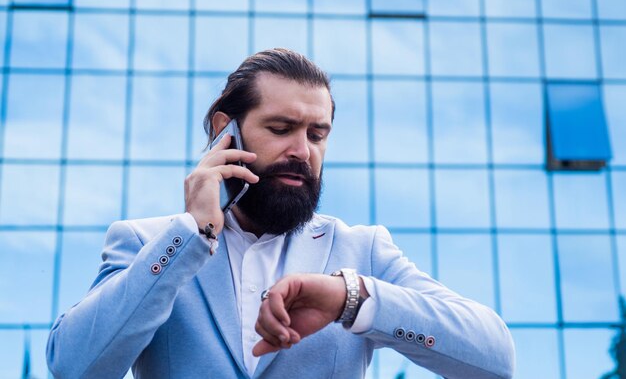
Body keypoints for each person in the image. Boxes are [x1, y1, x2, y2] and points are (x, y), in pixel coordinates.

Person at [46, 48, 515, 379]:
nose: (301, 151)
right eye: (281, 128)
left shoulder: (361, 250)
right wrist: (192, 233)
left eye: (317, 134)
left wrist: (351, 299)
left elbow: (494, 359)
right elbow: (75, 367)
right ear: (224, 130)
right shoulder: (145, 243)